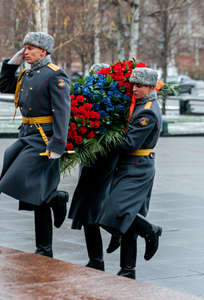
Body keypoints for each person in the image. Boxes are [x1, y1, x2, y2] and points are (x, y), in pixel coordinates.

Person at [0, 32, 71, 257]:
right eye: (25, 48)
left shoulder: (54, 75)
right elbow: (4, 87)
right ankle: (44, 248)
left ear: (44, 51)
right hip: (26, 135)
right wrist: (11, 65)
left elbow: (62, 111)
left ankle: (55, 198)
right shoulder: (28, 74)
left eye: (30, 48)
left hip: (44, 139)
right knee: (33, 193)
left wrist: (58, 145)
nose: (26, 52)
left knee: (20, 180)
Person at [97, 67, 163, 280]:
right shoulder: (138, 105)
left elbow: (130, 143)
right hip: (129, 165)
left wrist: (101, 137)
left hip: (137, 167)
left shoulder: (147, 111)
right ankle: (127, 268)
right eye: (133, 84)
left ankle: (150, 230)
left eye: (139, 85)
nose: (134, 88)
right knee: (126, 220)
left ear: (151, 87)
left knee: (116, 211)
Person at [68, 63, 116, 272]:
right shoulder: (89, 98)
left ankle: (122, 230)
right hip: (90, 159)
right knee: (88, 210)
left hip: (104, 160)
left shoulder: (114, 102)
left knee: (94, 208)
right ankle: (96, 259)